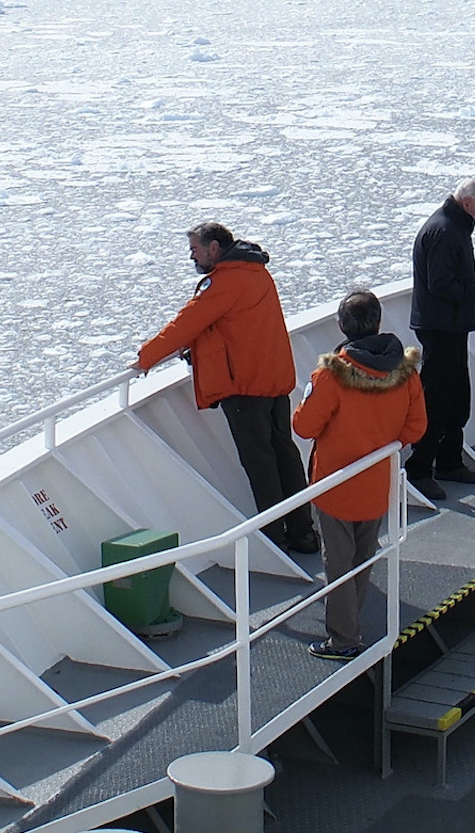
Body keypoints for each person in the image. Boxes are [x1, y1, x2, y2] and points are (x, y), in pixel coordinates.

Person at [134, 223, 320, 554]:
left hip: (246, 389)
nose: (191, 256)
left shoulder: (225, 282)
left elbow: (187, 323)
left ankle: (274, 538)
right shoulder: (257, 272)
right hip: (274, 381)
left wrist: (145, 358)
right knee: (285, 456)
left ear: (214, 248)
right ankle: (303, 532)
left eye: (195, 249)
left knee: (261, 464)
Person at [293, 320, 428, 660]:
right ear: (377, 324)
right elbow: (416, 427)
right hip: (376, 483)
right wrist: (383, 442)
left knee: (338, 566)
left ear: (343, 327)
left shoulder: (330, 376)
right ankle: (350, 624)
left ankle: (344, 640)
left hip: (334, 488)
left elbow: (304, 427)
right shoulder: (406, 374)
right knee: (362, 559)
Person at [406, 177, 475, 500]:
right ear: (466, 203)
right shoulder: (446, 231)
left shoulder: (453, 227)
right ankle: (419, 468)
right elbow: (440, 285)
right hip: (441, 329)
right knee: (437, 400)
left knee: (456, 397)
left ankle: (449, 461)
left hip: (449, 326)